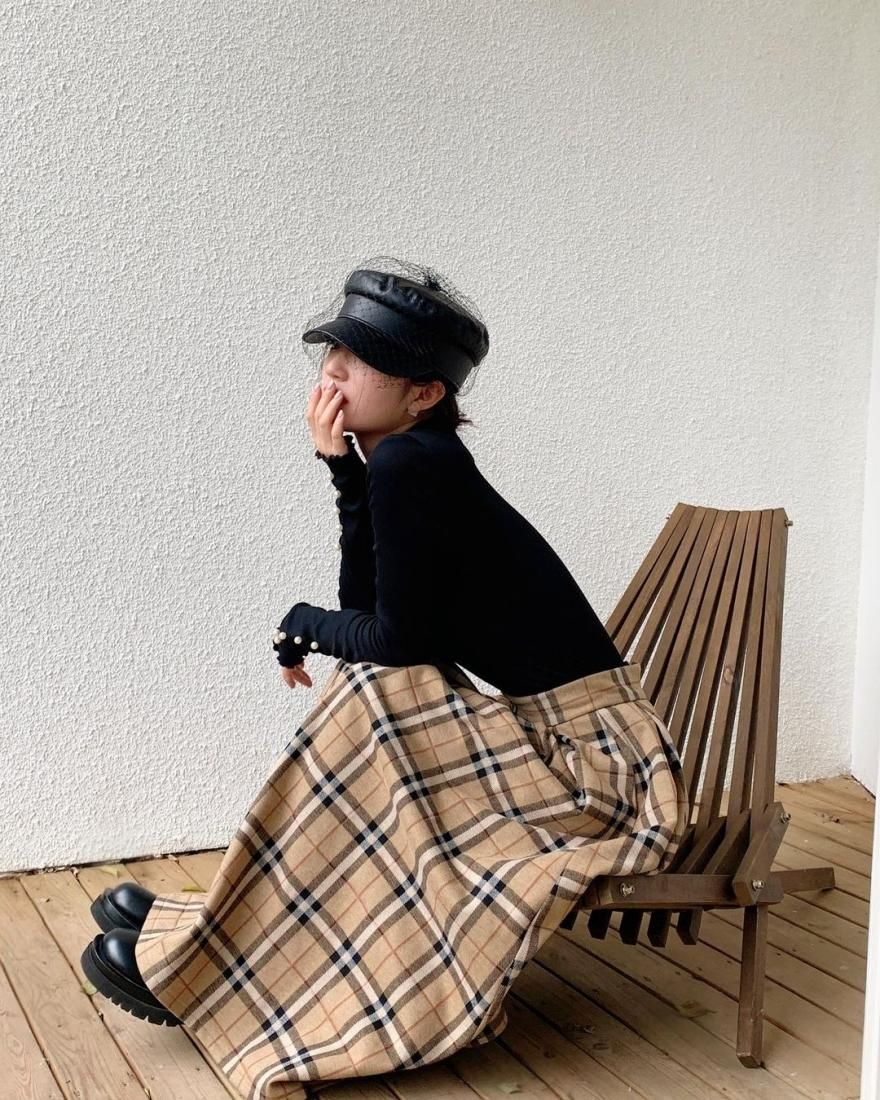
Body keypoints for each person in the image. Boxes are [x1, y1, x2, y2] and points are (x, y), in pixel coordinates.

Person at [81, 257, 689, 1098]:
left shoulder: (411, 465)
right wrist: (343, 475)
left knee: (374, 689)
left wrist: (302, 620)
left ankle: (221, 957)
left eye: (360, 359)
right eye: (332, 351)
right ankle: (223, 933)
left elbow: (393, 639)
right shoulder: (407, 462)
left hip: (596, 776)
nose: (332, 372)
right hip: (581, 745)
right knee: (372, 690)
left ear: (422, 394)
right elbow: (370, 614)